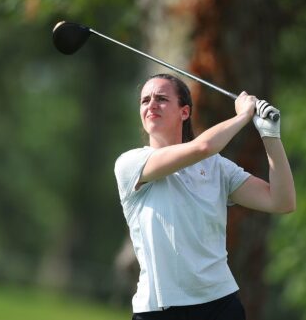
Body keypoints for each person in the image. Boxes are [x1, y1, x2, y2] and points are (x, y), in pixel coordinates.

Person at [114, 73, 296, 320]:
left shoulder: (217, 168)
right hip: (158, 310)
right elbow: (203, 147)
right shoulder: (130, 164)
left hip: (219, 306)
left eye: (162, 99)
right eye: (145, 100)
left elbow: (282, 201)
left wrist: (270, 136)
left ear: (185, 112)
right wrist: (243, 116)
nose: (151, 105)